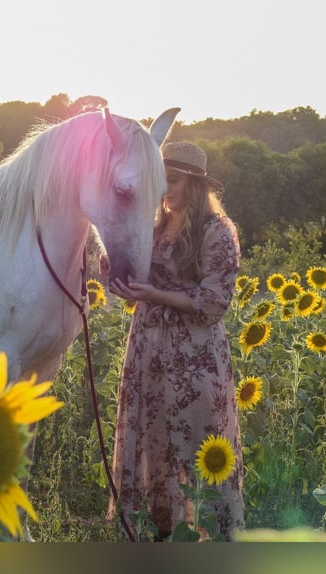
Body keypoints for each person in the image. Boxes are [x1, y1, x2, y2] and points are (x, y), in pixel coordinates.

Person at [107, 141, 244, 541]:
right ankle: (159, 533)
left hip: (194, 353)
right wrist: (118, 274)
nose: (165, 188)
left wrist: (153, 295)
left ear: (196, 186)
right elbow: (132, 274)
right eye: (160, 179)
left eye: (173, 180)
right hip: (147, 348)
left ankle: (210, 537)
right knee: (154, 440)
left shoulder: (216, 231)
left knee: (199, 439)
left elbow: (215, 302)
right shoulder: (150, 224)